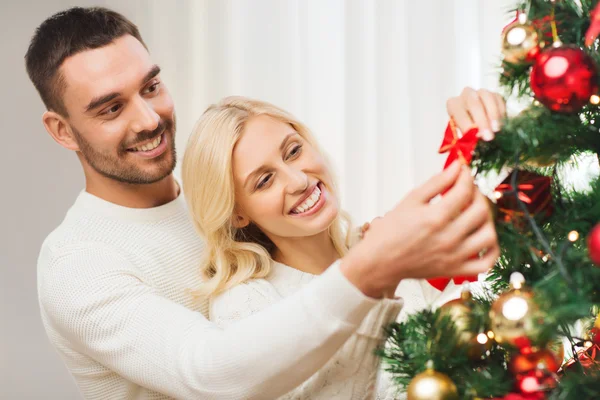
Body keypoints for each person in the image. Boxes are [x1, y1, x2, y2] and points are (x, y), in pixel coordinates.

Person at [27, 6, 502, 400]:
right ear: (62, 130)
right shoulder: (78, 263)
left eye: (151, 87)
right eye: (111, 108)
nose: (149, 119)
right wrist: (371, 272)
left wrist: (476, 138)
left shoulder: (220, 199)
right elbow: (211, 373)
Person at [181, 96, 503, 399]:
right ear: (238, 213)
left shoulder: (376, 242)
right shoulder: (244, 306)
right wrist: (379, 278)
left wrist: (491, 140)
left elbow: (498, 286)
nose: (298, 181)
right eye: (265, 181)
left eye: (293, 151)